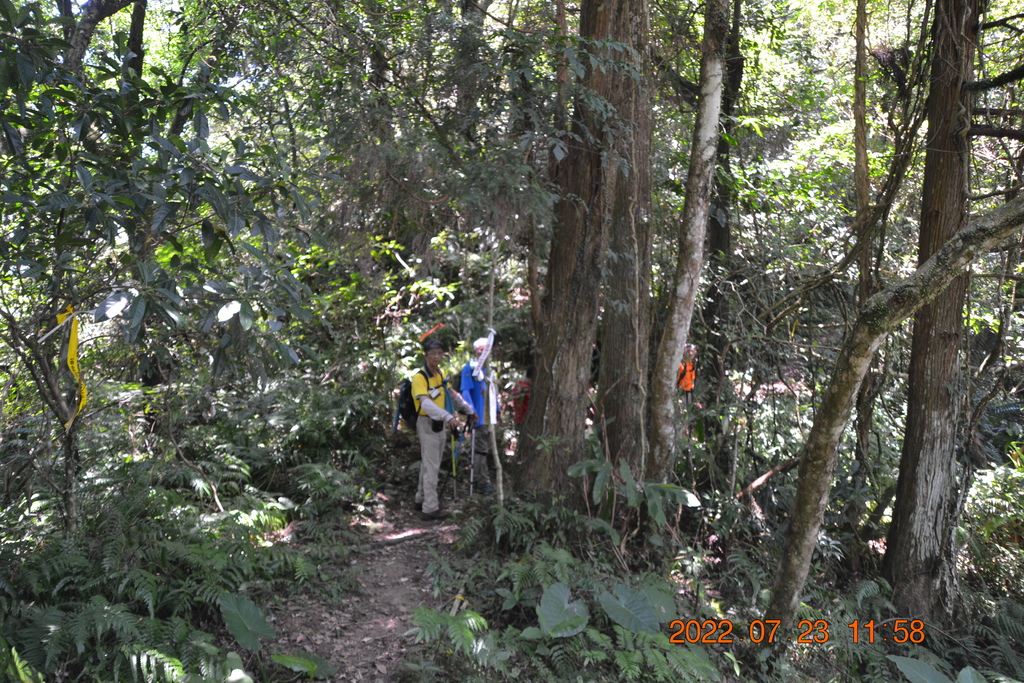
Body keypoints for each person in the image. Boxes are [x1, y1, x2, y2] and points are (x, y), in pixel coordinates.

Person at [413, 338, 474, 520]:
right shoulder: (419, 378)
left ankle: (420, 499)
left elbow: (451, 394)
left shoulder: (439, 374)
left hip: (439, 425)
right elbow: (425, 403)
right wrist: (448, 416)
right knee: (432, 466)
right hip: (427, 423)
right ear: (426, 356)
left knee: (428, 464)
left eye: (440, 353)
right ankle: (430, 509)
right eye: (433, 353)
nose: (437, 357)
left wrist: (469, 410)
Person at [461, 337, 498, 494]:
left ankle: (479, 479)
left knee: (484, 449)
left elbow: (493, 392)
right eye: (481, 349)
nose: (484, 352)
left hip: (490, 418)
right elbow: (465, 391)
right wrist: (471, 411)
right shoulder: (470, 368)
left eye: (487, 349)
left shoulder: (488, 370)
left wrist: (498, 410)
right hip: (479, 417)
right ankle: (481, 482)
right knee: (480, 450)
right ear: (475, 351)